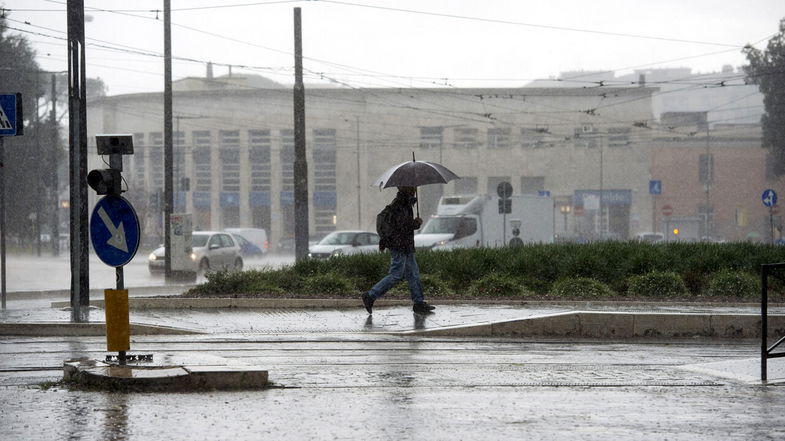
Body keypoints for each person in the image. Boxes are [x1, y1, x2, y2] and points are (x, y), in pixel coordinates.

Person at [361, 186, 435, 315]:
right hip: (400, 245)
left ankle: (418, 303)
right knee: (396, 274)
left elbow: (402, 225)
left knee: (413, 274)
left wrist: (413, 224)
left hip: (405, 245)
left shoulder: (405, 203)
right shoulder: (400, 204)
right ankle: (370, 295)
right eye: (413, 187)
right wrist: (415, 224)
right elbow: (402, 227)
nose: (415, 189)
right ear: (408, 189)